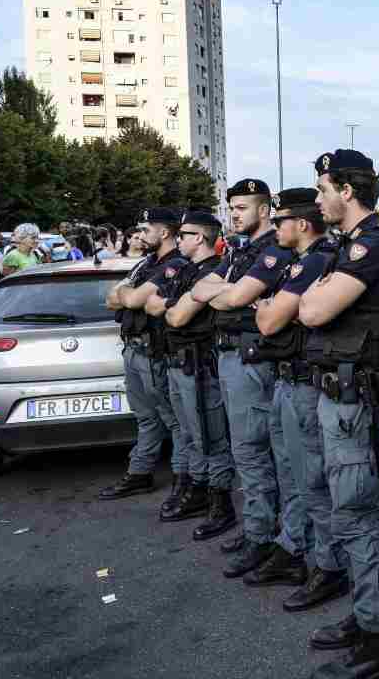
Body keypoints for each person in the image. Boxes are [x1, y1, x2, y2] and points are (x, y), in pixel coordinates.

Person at [299, 150, 379, 679]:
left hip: (354, 402)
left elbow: (311, 310)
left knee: (359, 517)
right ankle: (367, 615)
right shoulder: (349, 247)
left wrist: (313, 293)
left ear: (346, 190)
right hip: (342, 398)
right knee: (353, 513)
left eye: (322, 189)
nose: (318, 200)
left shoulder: (372, 247)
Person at [246, 188, 352, 612]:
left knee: (314, 480)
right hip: (288, 380)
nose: (275, 229)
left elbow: (270, 320)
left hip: (307, 383)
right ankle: (295, 550)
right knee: (292, 474)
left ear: (302, 224)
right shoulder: (300, 261)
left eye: (280, 221)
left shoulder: (316, 259)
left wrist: (266, 305)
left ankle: (328, 566)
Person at [190, 179, 290, 579]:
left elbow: (231, 299)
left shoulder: (272, 250)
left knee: (253, 450)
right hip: (230, 353)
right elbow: (204, 289)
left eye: (242, 207)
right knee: (245, 448)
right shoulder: (238, 249)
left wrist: (224, 291)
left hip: (253, 357)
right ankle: (259, 527)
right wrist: (224, 290)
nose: (233, 214)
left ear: (264, 210)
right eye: (231, 207)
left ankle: (263, 534)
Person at [157, 210, 238, 541]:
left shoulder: (213, 270)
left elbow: (175, 315)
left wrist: (170, 308)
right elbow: (159, 306)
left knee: (211, 434)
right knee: (190, 433)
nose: (178, 240)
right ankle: (199, 489)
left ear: (199, 237)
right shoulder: (188, 270)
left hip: (199, 363)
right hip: (178, 361)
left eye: (183, 234)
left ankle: (220, 502)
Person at [100, 208, 187, 504]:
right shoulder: (146, 263)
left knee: (173, 419)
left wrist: (130, 294)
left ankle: (183, 478)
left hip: (155, 351)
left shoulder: (175, 263)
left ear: (164, 232)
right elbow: (111, 299)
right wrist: (130, 294)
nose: (140, 235)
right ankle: (140, 473)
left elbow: (131, 298)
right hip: (134, 348)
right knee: (146, 417)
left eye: (146, 229)